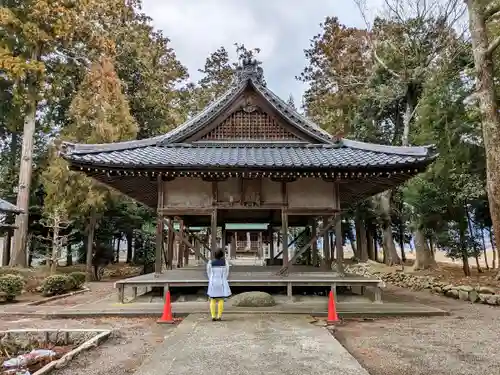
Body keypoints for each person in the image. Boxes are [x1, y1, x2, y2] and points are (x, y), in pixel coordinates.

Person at [206, 249, 231, 321]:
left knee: (213, 300)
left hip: (213, 282)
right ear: (222, 255)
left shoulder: (210, 262)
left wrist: (211, 279)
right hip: (222, 282)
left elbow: (208, 272)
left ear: (214, 255)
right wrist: (223, 278)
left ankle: (213, 316)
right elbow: (227, 272)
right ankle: (219, 316)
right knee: (221, 299)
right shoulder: (225, 262)